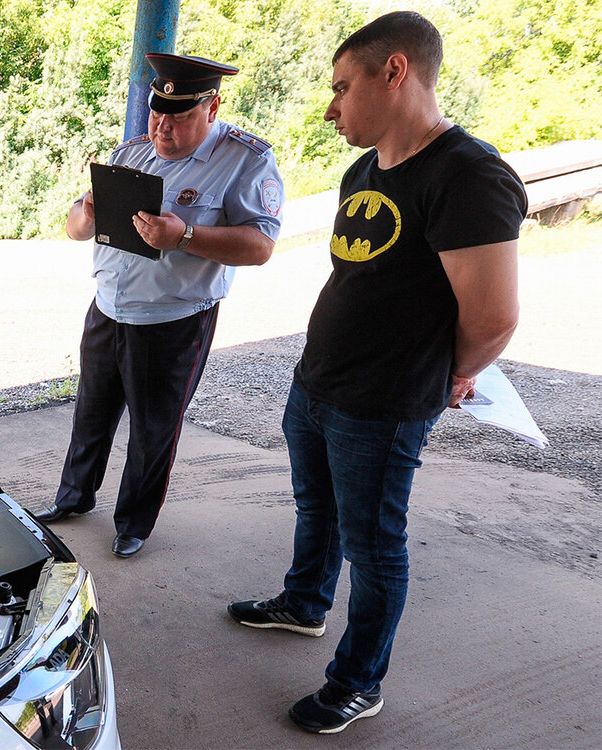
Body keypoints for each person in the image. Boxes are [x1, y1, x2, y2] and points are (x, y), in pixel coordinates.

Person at [227, 11, 526, 734]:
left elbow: (492, 317)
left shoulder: (469, 174)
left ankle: (358, 681)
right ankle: (304, 604)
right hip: (319, 382)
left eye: (340, 87)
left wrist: (448, 377)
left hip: (384, 402)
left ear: (394, 71)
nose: (330, 108)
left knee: (374, 546)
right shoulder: (363, 169)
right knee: (317, 510)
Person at [32, 53, 283, 559]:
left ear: (212, 107)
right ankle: (74, 498)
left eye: (179, 117)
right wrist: (83, 213)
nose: (163, 128)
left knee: (153, 428)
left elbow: (259, 247)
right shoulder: (133, 154)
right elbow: (76, 227)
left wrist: (185, 234)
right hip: (108, 308)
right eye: (156, 113)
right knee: (92, 413)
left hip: (174, 319)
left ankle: (133, 523)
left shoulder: (246, 161)